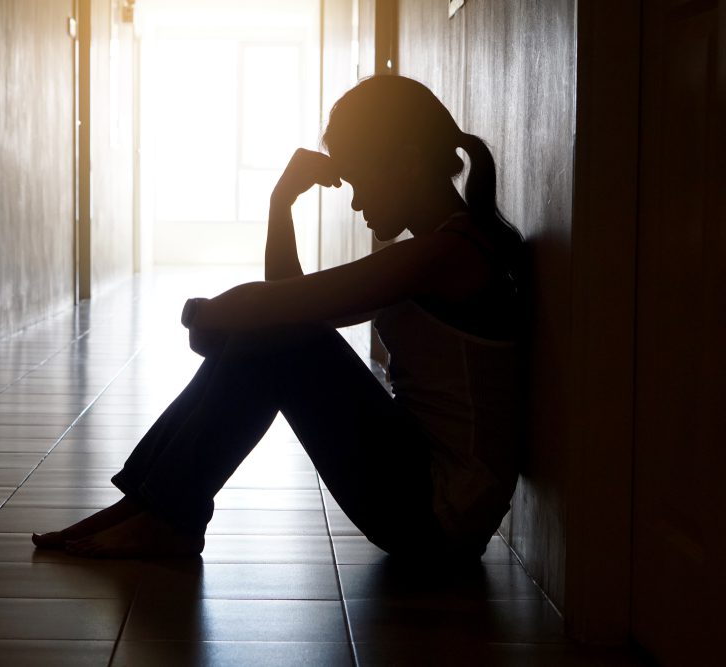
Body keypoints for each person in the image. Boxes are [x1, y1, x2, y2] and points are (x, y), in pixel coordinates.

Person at [32, 75, 525, 563]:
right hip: (425, 498)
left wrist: (203, 314)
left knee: (282, 332)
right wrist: (280, 204)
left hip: (437, 516)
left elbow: (282, 309)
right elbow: (291, 306)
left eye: (359, 180)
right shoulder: (446, 247)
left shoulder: (445, 254)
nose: (356, 202)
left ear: (408, 162)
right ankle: (147, 505)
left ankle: (164, 513)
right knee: (283, 331)